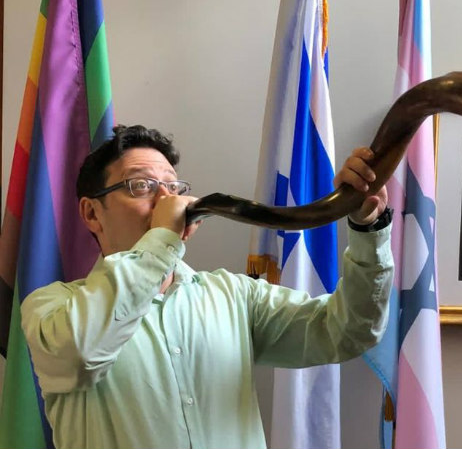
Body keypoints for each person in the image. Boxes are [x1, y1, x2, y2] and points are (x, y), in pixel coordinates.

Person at [20, 125, 394, 449]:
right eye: (142, 186)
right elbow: (83, 353)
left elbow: (349, 331)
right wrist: (163, 238)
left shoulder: (235, 297)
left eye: (172, 186)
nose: (167, 200)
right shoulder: (52, 308)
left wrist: (368, 227)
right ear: (90, 213)